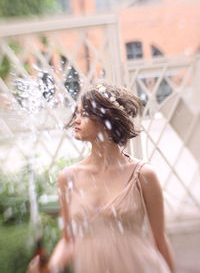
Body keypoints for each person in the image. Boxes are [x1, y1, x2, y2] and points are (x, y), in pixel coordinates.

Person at [28, 83, 175, 273]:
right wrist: (51, 268)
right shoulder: (68, 178)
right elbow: (69, 240)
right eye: (76, 114)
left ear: (106, 118)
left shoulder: (143, 175)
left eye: (84, 114)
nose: (76, 121)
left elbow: (159, 239)